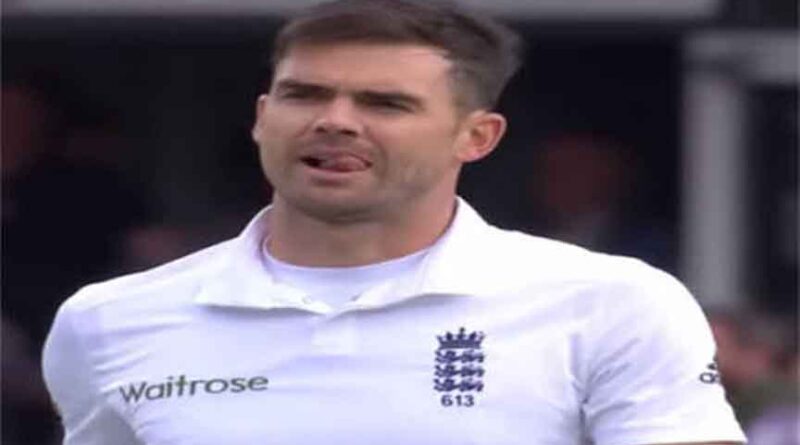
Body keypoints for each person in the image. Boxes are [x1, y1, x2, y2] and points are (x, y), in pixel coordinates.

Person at [42, 1, 746, 444]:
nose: (334, 121)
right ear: (262, 117)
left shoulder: (614, 302)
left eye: (386, 103)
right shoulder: (108, 320)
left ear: (477, 136)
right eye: (303, 94)